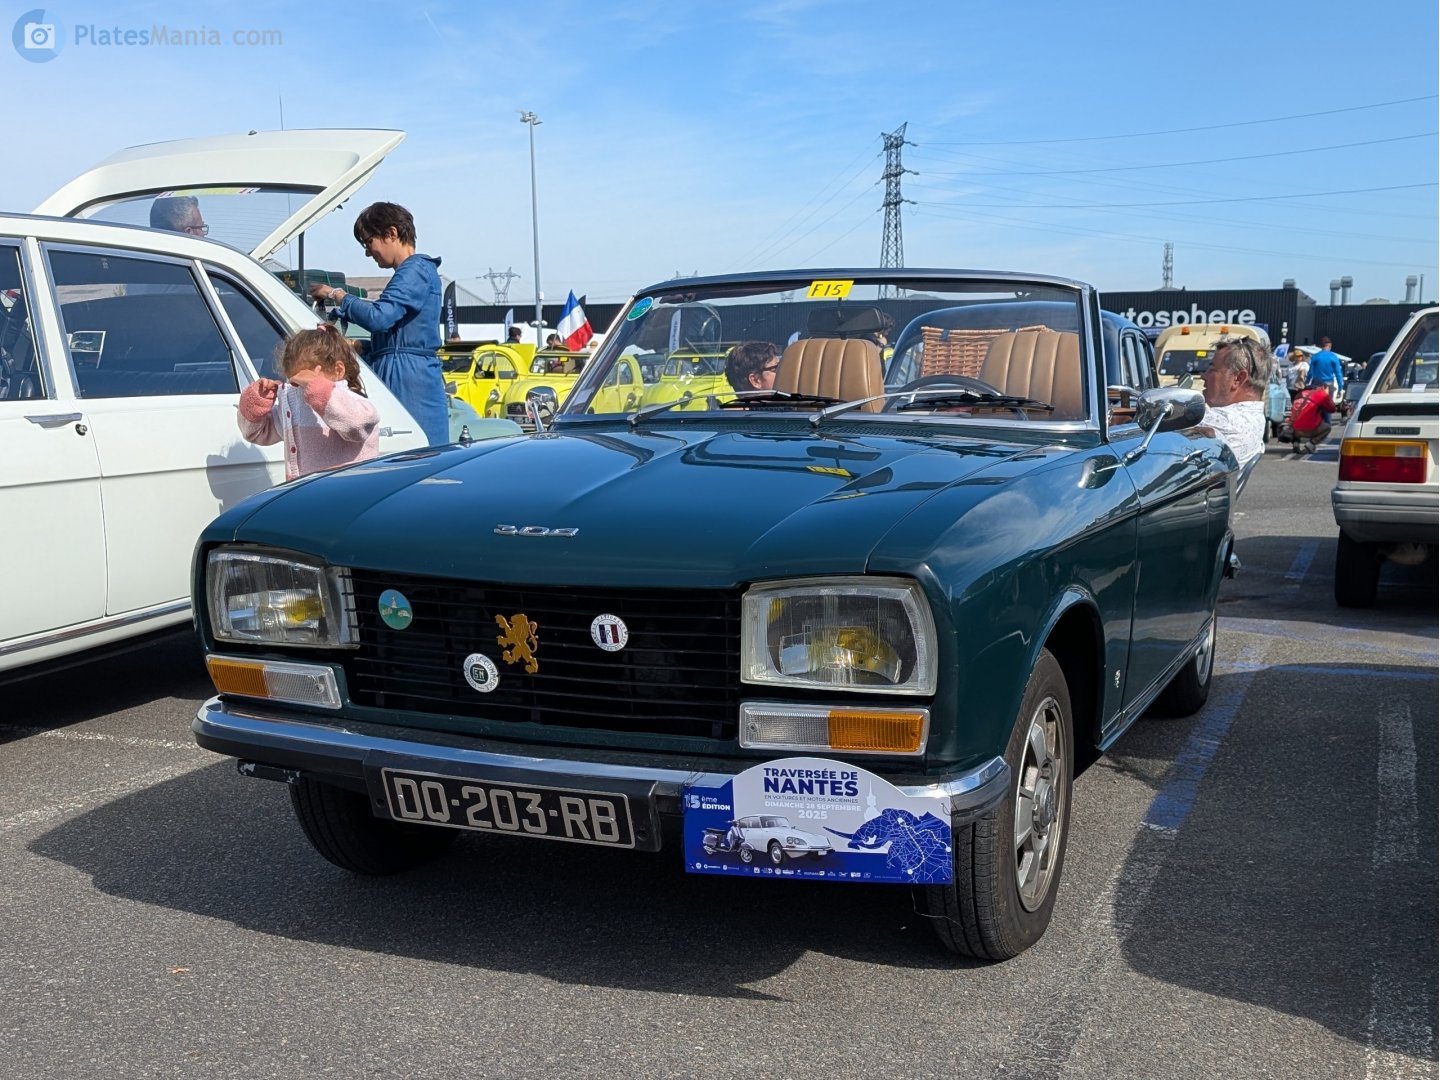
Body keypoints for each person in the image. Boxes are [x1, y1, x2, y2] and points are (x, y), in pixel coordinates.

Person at [309, 202, 448, 446]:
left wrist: (336, 294)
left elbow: (379, 318)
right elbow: (396, 335)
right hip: (406, 370)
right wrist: (357, 345)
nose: (367, 252)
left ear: (391, 233)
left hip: (407, 377)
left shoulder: (415, 270)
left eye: (368, 242)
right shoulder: (416, 273)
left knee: (412, 454)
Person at [237, 323, 379, 481]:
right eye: (295, 383)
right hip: (306, 499)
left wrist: (318, 388)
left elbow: (355, 426)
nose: (302, 390)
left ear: (338, 371)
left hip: (351, 497)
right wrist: (256, 401)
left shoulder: (355, 403)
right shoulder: (294, 406)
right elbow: (255, 433)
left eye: (306, 382)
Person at [1196, 335, 1271, 469]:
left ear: (1238, 379)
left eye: (1213, 370)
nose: (1203, 376)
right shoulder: (1254, 418)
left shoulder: (1227, 422)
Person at [1288, 383, 1337, 454]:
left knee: (1296, 420)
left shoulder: (1300, 394)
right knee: (1327, 428)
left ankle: (1296, 444)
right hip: (1310, 429)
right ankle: (1311, 443)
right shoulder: (1322, 394)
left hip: (1294, 429)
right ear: (1324, 387)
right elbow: (1332, 409)